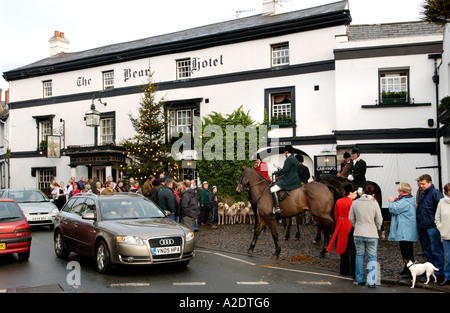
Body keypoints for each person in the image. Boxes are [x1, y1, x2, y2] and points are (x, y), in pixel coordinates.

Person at [349, 184, 383, 287]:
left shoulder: (355, 203)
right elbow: (379, 220)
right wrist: (376, 228)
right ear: (373, 194)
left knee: (359, 256)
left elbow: (351, 218)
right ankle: (372, 281)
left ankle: (360, 279)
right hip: (371, 233)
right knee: (372, 257)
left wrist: (356, 226)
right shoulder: (374, 203)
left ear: (363, 192)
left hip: (358, 232)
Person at [416, 174, 444, 283]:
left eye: (423, 184)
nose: (421, 186)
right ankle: (430, 273)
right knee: (427, 251)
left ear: (429, 183)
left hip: (432, 226)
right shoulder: (423, 194)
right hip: (423, 226)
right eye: (420, 183)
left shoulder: (435, 193)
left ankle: (439, 272)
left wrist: (439, 224)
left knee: (436, 250)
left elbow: (441, 208)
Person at [326, 183, 358, 277]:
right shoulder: (352, 203)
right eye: (355, 193)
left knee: (343, 248)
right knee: (352, 249)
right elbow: (355, 216)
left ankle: (344, 270)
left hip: (340, 224)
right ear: (350, 193)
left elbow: (336, 215)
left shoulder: (338, 201)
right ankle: (353, 271)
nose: (356, 195)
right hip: (350, 225)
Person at [387, 182, 418, 279]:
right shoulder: (409, 199)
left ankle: (409, 270)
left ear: (401, 190)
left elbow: (394, 210)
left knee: (406, 250)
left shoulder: (404, 201)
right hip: (408, 228)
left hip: (405, 229)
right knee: (407, 249)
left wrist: (391, 201)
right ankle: (407, 268)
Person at [270, 145, 302, 214]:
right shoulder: (295, 159)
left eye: (284, 152)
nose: (284, 154)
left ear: (286, 152)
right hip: (296, 179)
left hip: (289, 180)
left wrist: (275, 173)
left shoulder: (289, 159)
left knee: (272, 189)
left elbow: (284, 171)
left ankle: (277, 208)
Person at [435, 183, 450, 286]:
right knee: (448, 257)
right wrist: (441, 228)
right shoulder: (442, 202)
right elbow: (437, 218)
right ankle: (447, 277)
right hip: (446, 234)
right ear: (446, 192)